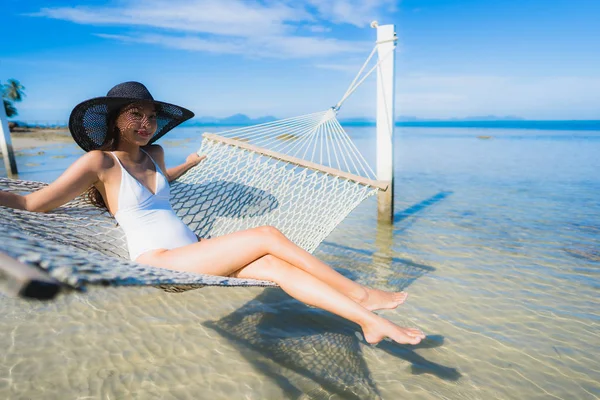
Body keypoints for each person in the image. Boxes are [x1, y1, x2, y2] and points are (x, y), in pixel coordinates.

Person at [0, 82, 425, 345]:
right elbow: (37, 203)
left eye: (151, 116)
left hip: (197, 253)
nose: (146, 123)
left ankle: (368, 321)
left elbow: (163, 180)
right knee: (266, 234)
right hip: (161, 262)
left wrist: (188, 165)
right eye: (137, 115)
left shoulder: (156, 153)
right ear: (115, 119)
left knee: (277, 266)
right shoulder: (100, 162)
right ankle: (361, 293)